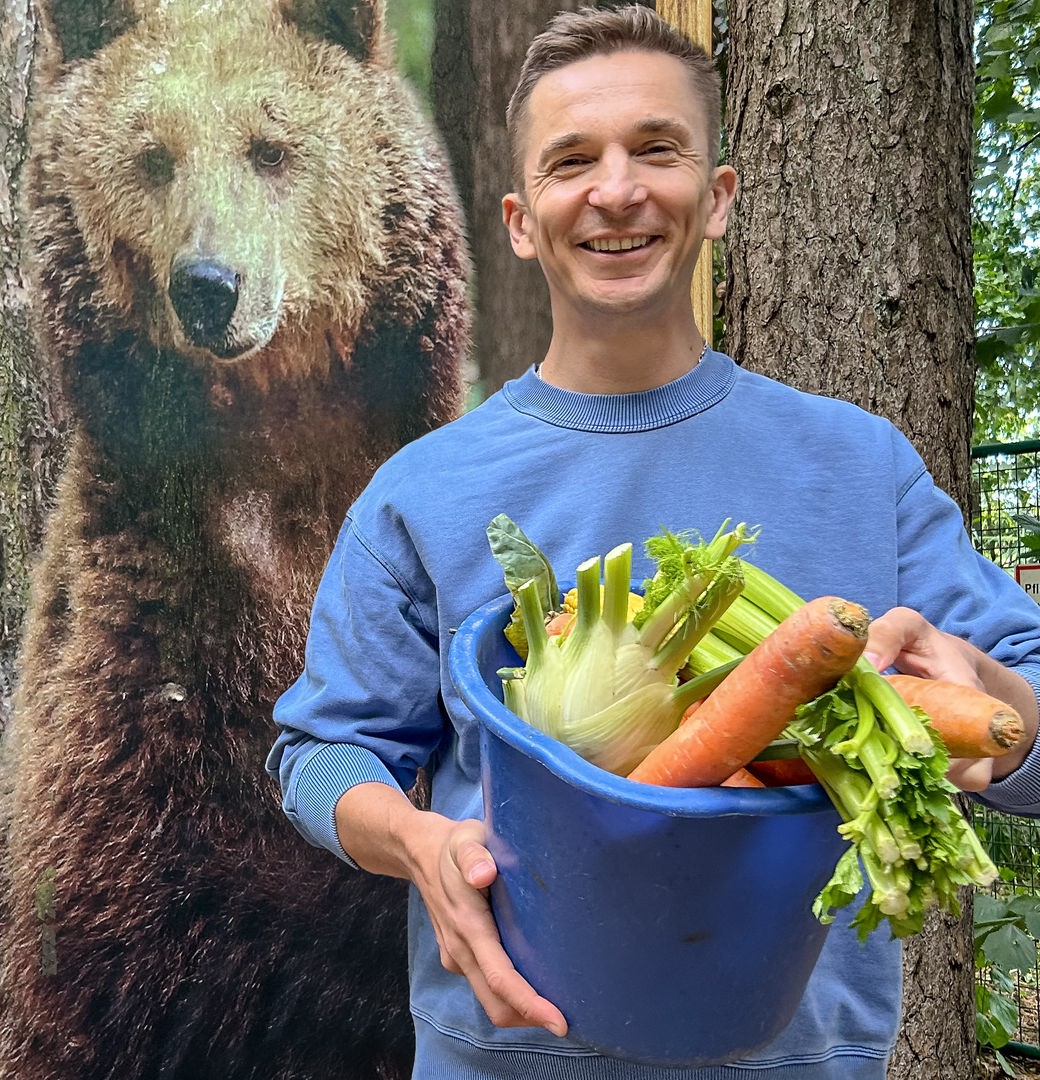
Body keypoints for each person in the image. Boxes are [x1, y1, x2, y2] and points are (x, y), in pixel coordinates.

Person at [267, 6, 1040, 1077]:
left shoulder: (860, 466)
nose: (617, 190)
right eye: (572, 160)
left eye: (658, 149)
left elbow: (1031, 743)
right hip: (503, 1059)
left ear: (716, 196)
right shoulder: (422, 492)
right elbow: (315, 755)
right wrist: (421, 847)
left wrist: (984, 699)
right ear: (520, 218)